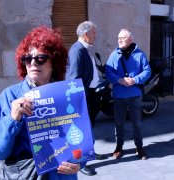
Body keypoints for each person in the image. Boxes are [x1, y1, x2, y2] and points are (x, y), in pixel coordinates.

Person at [0, 26, 81, 179]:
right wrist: (12, 119)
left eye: (40, 58)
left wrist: (79, 162)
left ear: (54, 62)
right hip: (25, 175)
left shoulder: (68, 94)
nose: (33, 63)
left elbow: (83, 139)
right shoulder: (10, 97)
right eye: (27, 58)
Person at [66, 21, 105, 176]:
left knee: (89, 128)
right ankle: (81, 163)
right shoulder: (77, 50)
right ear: (85, 34)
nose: (95, 35)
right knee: (83, 130)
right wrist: (79, 102)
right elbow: (74, 78)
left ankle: (90, 153)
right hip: (84, 97)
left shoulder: (86, 49)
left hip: (92, 94)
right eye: (94, 33)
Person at [105, 29, 151, 160]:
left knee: (137, 122)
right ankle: (119, 147)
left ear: (130, 39)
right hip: (119, 94)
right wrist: (119, 80)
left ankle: (139, 147)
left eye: (122, 38)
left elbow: (147, 71)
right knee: (119, 122)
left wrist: (135, 80)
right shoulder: (114, 54)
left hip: (135, 94)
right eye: (118, 37)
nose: (119, 40)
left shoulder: (140, 54)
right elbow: (108, 71)